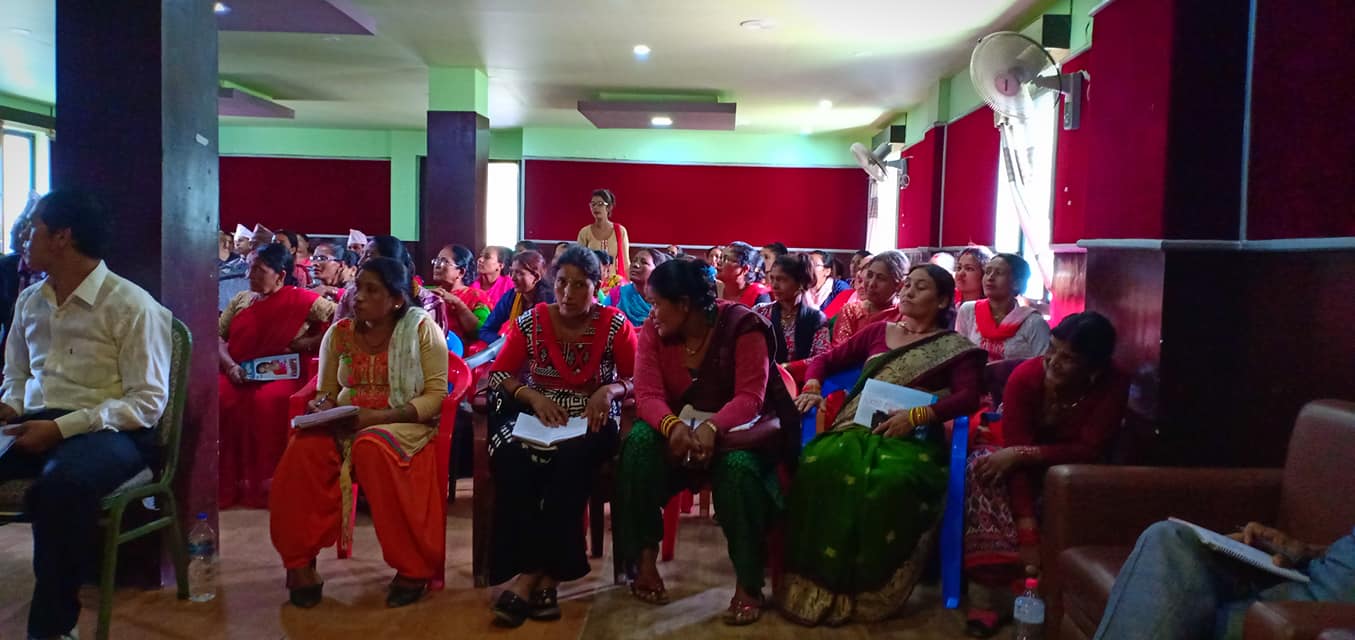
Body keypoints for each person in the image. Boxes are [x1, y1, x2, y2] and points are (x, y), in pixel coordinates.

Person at [0, 190, 172, 640]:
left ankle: (53, 628)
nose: (24, 237)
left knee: (62, 487)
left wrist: (62, 428)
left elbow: (147, 403)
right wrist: (10, 404)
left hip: (113, 431)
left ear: (62, 237)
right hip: (36, 421)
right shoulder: (30, 300)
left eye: (33, 228)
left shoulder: (131, 305)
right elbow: (16, 373)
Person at [780, 264, 986, 626]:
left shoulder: (955, 349)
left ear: (942, 300)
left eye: (920, 287)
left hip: (911, 441)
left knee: (889, 479)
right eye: (907, 285)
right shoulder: (879, 331)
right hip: (853, 430)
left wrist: (917, 416)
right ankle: (815, 582)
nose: (907, 292)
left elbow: (969, 397)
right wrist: (812, 386)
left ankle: (869, 587)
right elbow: (824, 361)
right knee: (816, 463)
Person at [614, 258, 800, 626]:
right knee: (638, 445)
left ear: (684, 304)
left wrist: (712, 428)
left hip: (735, 433)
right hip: (678, 430)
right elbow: (648, 393)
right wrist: (672, 426)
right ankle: (644, 563)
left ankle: (749, 584)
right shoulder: (654, 330)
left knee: (738, 471)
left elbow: (750, 397)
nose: (651, 313)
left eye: (657, 303)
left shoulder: (743, 326)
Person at [269, 257, 449, 609]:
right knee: (304, 448)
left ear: (396, 299)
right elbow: (326, 391)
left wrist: (377, 417)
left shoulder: (421, 330)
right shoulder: (340, 333)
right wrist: (322, 407)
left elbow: (435, 396)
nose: (358, 296)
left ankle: (413, 568)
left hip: (404, 422)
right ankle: (299, 565)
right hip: (348, 422)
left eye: (372, 290)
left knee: (373, 446)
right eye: (357, 287)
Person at [486, 246, 638, 627]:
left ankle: (533, 577)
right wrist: (533, 396)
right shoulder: (532, 321)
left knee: (570, 461)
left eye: (580, 285)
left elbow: (639, 378)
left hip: (592, 418)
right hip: (537, 414)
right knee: (509, 456)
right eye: (562, 283)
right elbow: (500, 375)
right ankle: (542, 573)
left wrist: (610, 390)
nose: (568, 294)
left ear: (597, 286)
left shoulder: (616, 324)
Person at [963, 312, 1129, 637]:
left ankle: (1045, 594)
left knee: (1081, 483)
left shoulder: (1114, 383)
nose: (1053, 361)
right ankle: (990, 595)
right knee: (983, 470)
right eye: (1052, 348)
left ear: (1093, 369)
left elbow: (1089, 449)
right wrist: (1027, 532)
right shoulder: (1026, 377)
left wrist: (1026, 454)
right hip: (1012, 452)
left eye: (1069, 358)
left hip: (1069, 465)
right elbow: (1013, 451)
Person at [219, 243, 337, 508]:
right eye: (249, 268)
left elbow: (339, 323)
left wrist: (304, 344)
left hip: (282, 373)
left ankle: (271, 482)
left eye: (259, 270)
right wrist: (230, 366)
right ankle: (229, 482)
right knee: (219, 397)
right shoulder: (242, 300)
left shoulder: (302, 299)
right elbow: (218, 336)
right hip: (237, 370)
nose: (250, 275)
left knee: (266, 402)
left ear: (281, 275)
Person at [1092, 521, 1355, 640]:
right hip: (1305, 575)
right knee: (1170, 538)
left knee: (1172, 611)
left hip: (1322, 612)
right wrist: (1304, 551)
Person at [338, 235, 450, 336]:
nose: (360, 262)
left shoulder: (430, 303)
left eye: (368, 256)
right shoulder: (351, 295)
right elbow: (340, 338)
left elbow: (432, 347)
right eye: (362, 255)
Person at [955, 252, 1050, 362]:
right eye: (987, 272)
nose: (990, 277)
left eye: (999, 273)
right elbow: (959, 356)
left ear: (1017, 283)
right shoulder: (968, 311)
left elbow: (1044, 364)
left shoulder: (1033, 323)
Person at [753, 255, 830, 364]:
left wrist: (789, 367)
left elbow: (822, 358)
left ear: (800, 282)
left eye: (782, 280)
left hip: (801, 374)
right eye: (772, 278)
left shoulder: (816, 318)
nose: (774, 285)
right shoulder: (761, 312)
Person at [831, 250, 910, 345]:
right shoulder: (851, 312)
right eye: (869, 275)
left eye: (881, 278)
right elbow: (840, 351)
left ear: (899, 285)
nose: (871, 284)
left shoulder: (905, 315)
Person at [479, 250, 555, 344]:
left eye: (519, 273)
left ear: (536, 277)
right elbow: (485, 330)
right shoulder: (510, 297)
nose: (513, 278)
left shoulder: (551, 302)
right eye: (512, 272)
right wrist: (505, 342)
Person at [1, 196, 43, 360]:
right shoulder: (6, 266)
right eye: (17, 227)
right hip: (11, 355)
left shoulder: (53, 272)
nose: (19, 234)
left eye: (26, 226)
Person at [429, 244, 491, 346]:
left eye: (444, 262)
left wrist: (458, 304)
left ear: (461, 272)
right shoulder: (430, 294)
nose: (437, 265)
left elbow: (480, 332)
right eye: (436, 260)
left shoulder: (476, 296)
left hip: (462, 353)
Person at [608, 247, 671, 327]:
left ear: (657, 270)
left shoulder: (664, 300)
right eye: (634, 261)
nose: (636, 265)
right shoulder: (617, 294)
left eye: (644, 262)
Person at [576, 188, 631, 276]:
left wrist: (628, 282)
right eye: (593, 204)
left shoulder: (620, 231)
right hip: (592, 280)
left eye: (600, 204)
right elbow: (579, 262)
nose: (595, 207)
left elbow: (626, 262)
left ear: (609, 207)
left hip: (615, 281)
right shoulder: (584, 232)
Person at [718, 241, 772, 307]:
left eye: (725, 259)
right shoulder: (712, 288)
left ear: (745, 269)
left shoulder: (759, 296)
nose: (718, 262)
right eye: (720, 257)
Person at [805, 250, 852, 318]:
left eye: (814, 265)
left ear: (827, 271)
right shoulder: (801, 288)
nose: (809, 268)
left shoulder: (841, 288)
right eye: (807, 264)